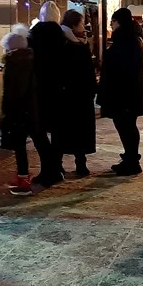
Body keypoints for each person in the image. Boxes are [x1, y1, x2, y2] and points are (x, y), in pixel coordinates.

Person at [1, 25, 59, 195]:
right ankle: (52, 171)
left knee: (19, 146)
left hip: (19, 111)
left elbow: (13, 92)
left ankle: (23, 181)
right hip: (32, 109)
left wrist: (8, 111)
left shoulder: (14, 63)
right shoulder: (30, 59)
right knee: (40, 140)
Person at [98, 8, 143, 176]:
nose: (111, 25)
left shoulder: (127, 40)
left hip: (125, 91)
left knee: (126, 125)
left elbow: (121, 67)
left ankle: (132, 161)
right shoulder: (132, 38)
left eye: (113, 21)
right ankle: (130, 158)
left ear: (119, 22)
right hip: (130, 90)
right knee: (126, 125)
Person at [27, 1, 67, 186]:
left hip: (37, 90)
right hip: (60, 91)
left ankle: (48, 168)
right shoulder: (64, 37)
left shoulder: (32, 36)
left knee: (37, 130)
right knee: (58, 131)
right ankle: (55, 167)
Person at [54, 9, 97, 177]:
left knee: (78, 131)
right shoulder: (64, 43)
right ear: (73, 25)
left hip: (80, 94)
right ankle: (58, 165)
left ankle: (80, 163)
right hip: (69, 95)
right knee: (65, 130)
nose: (84, 27)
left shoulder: (79, 42)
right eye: (81, 24)